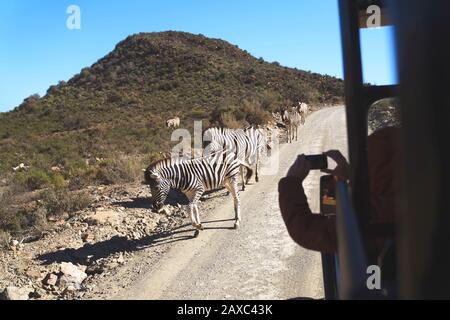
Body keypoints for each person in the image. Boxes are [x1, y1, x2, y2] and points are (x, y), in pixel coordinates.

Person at [278, 126, 401, 254]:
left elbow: (305, 230)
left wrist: (292, 182)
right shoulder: (413, 204)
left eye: (364, 165)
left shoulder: (373, 215)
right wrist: (351, 178)